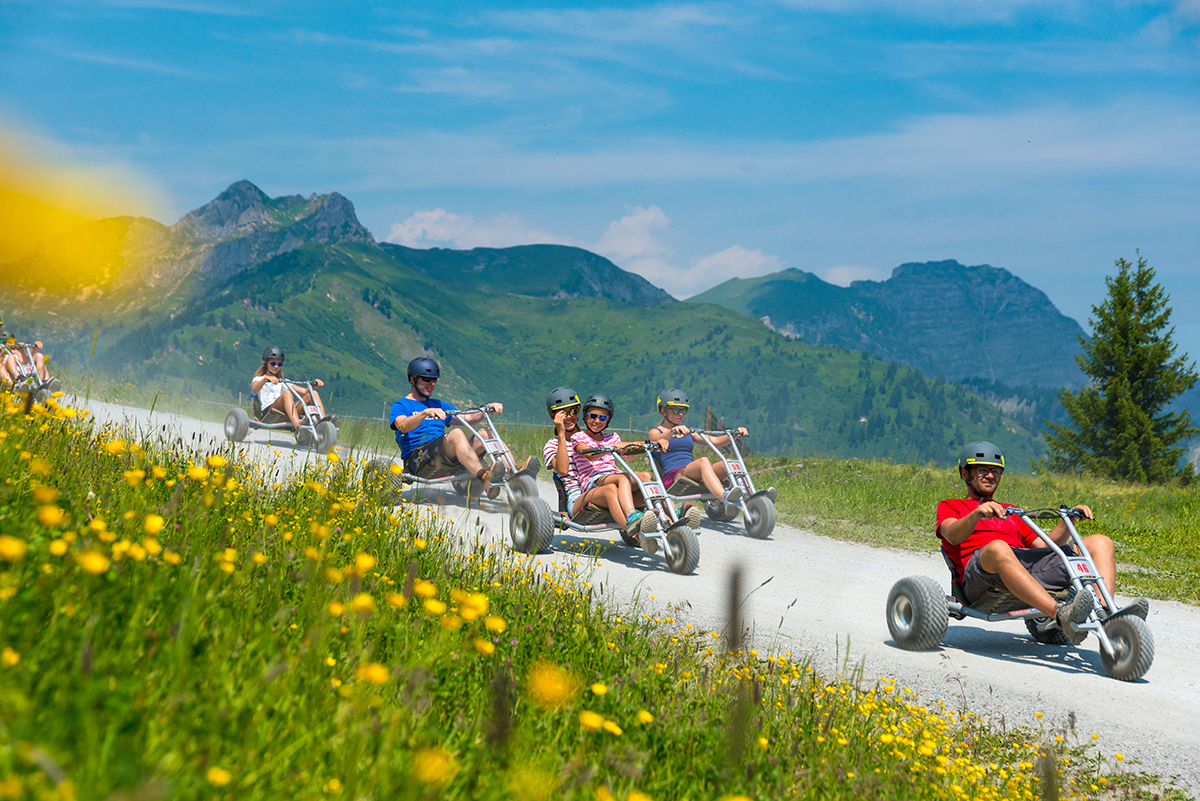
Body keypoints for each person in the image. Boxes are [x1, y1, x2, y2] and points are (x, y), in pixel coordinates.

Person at [936, 441, 1148, 644]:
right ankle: (1060, 614)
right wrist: (976, 515)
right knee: (999, 547)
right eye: (982, 470)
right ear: (965, 473)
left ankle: (1107, 614)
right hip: (980, 578)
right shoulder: (950, 506)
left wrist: (1070, 519)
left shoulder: (1010, 510)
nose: (990, 476)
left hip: (1020, 567)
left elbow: (1046, 548)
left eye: (996, 471)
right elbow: (952, 535)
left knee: (1101, 542)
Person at [390, 356, 521, 499]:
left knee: (486, 433)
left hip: (445, 453)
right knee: (456, 433)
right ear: (412, 379)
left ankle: (516, 474)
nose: (432, 384)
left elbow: (468, 418)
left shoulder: (439, 404)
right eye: (426, 379)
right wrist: (424, 413)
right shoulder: (401, 405)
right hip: (419, 459)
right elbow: (402, 425)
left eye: (434, 380)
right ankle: (485, 477)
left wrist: (488, 409)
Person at [543, 386, 638, 533]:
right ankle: (635, 534)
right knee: (610, 489)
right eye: (563, 414)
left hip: (600, 485)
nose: (569, 417)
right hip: (578, 496)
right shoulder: (552, 445)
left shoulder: (590, 439)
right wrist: (561, 434)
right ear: (553, 416)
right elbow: (562, 470)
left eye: (573, 411)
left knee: (638, 481)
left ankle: (666, 519)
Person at [570, 393, 662, 539]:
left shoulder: (612, 437)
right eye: (593, 416)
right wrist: (612, 447)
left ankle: (667, 516)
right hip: (594, 480)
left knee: (646, 476)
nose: (597, 421)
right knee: (622, 479)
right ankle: (632, 516)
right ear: (585, 416)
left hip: (615, 476)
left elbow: (629, 455)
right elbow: (588, 454)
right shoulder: (578, 437)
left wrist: (651, 445)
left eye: (602, 418)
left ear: (608, 420)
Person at [648, 388, 747, 505]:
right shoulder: (656, 431)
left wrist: (735, 434)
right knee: (703, 461)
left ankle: (751, 496)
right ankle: (724, 499)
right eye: (676, 410)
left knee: (729, 463)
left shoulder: (687, 431)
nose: (680, 414)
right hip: (674, 476)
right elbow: (655, 440)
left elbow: (716, 441)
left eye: (683, 411)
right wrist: (672, 432)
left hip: (695, 472)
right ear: (663, 411)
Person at [251, 346, 327, 434]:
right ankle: (299, 429)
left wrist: (314, 384)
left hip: (290, 411)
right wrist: (265, 378)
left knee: (313, 393)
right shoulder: (259, 379)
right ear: (265, 362)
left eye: (279, 364)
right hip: (270, 412)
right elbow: (255, 388)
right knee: (287, 393)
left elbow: (305, 392)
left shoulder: (285, 381)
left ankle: (324, 426)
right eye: (273, 363)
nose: (276, 366)